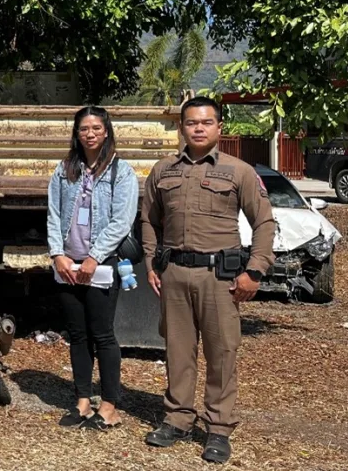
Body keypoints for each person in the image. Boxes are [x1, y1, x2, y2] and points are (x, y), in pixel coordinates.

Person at [140, 96, 275, 464]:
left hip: (220, 278)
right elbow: (149, 220)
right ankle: (177, 419)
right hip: (175, 274)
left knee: (222, 353)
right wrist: (152, 262)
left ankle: (218, 428)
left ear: (219, 127)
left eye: (206, 122)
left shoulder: (239, 171)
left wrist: (254, 271)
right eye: (191, 122)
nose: (198, 128)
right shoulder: (163, 170)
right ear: (181, 127)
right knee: (177, 351)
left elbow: (264, 222)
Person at [46, 106, 139, 431]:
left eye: (96, 128)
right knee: (78, 335)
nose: (90, 134)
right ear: (77, 133)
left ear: (106, 131)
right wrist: (57, 254)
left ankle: (109, 406)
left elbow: (122, 221)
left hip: (101, 264)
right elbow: (53, 213)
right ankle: (83, 402)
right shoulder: (64, 170)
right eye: (84, 128)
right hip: (67, 265)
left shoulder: (121, 172)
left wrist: (95, 257)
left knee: (102, 334)